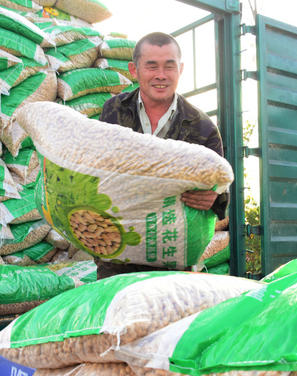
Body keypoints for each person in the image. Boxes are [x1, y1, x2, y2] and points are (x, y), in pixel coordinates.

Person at [97, 32, 228, 278]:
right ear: (134, 70)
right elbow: (96, 167)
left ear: (180, 69)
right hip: (117, 256)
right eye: (151, 66)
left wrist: (214, 197)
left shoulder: (203, 127)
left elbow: (220, 188)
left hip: (172, 259)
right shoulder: (113, 111)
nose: (161, 75)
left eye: (169, 66)